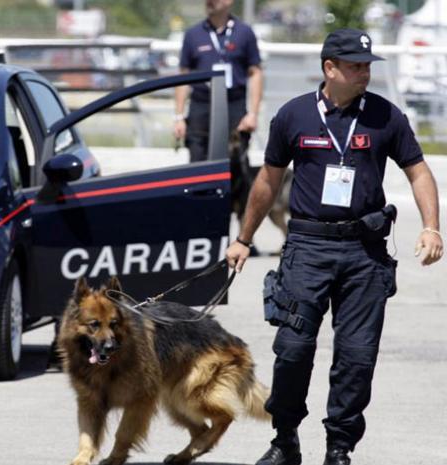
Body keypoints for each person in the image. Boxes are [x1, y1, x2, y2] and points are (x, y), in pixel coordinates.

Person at [225, 28, 443, 465]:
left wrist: (432, 227)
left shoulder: (386, 116)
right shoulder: (293, 116)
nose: (365, 72)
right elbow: (267, 180)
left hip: (365, 252)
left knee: (357, 357)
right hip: (307, 247)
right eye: (355, 66)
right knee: (292, 349)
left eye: (367, 65)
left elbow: (418, 171)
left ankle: (339, 446)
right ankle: (284, 440)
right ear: (330, 68)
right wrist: (243, 239)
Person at [174, 0, 263, 223]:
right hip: (201, 108)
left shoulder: (244, 33)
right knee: (197, 169)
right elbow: (183, 76)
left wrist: (252, 113)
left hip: (234, 108)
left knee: (236, 173)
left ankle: (239, 235)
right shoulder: (193, 34)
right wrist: (178, 116)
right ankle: (198, 226)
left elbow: (255, 73)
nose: (209, 2)